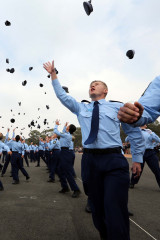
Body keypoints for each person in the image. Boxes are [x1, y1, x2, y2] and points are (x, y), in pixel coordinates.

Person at [44, 60, 144, 240]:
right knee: (97, 211)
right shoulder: (81, 108)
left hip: (113, 159)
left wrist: (137, 158)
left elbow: (134, 132)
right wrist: (53, 75)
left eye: (96, 84)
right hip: (90, 162)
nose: (92, 86)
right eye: (91, 85)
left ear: (105, 91)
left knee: (114, 208)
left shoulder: (118, 107)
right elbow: (63, 96)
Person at [54, 120, 81, 198]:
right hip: (64, 152)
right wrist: (65, 125)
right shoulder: (66, 134)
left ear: (69, 129)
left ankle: (76, 189)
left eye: (68, 127)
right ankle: (65, 187)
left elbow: (56, 131)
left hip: (66, 153)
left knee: (68, 172)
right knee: (60, 170)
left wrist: (56, 125)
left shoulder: (66, 135)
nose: (66, 127)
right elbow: (62, 131)